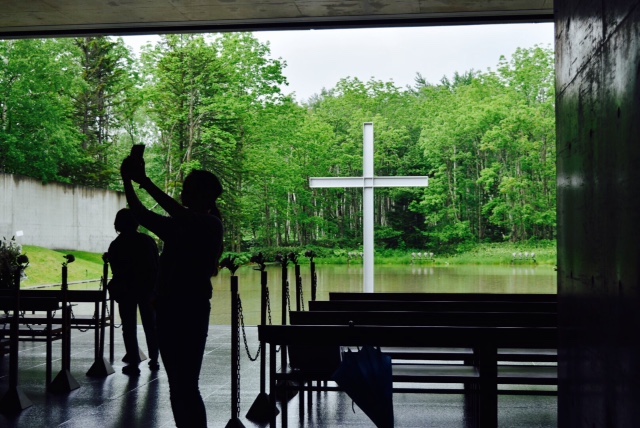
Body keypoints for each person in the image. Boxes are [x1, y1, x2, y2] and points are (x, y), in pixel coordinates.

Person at [120, 155, 224, 428]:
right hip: (172, 308)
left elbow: (179, 214)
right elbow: (141, 214)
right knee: (179, 386)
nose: (184, 193)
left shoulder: (210, 224)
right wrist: (127, 181)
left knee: (185, 385)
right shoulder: (185, 224)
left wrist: (142, 180)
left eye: (189, 189)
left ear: (204, 195)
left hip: (188, 308)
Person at [107, 208, 160, 376]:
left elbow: (116, 269)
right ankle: (154, 359)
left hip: (126, 290)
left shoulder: (116, 245)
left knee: (128, 327)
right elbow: (156, 266)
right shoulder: (147, 241)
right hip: (146, 289)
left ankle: (134, 362)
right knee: (150, 325)